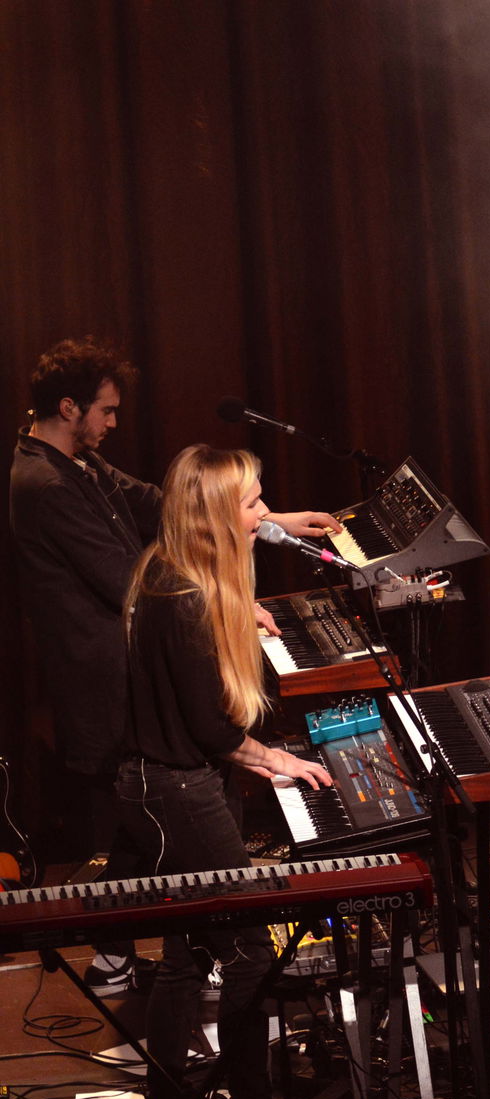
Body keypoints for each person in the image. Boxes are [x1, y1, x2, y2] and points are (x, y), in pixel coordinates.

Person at [9, 338, 341, 992]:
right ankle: (179, 952)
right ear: (68, 406)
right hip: (109, 681)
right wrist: (221, 601)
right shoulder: (41, 482)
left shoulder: (80, 461)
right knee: (157, 803)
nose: (112, 423)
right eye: (103, 411)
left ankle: (129, 954)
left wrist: (272, 521)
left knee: (151, 818)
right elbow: (125, 579)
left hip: (134, 670)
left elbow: (170, 504)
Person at [115, 444, 334, 1099]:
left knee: (186, 958)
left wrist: (244, 609)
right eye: (251, 504)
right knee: (247, 957)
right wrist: (282, 762)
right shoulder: (182, 598)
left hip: (164, 784)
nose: (263, 514)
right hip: (177, 790)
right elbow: (213, 730)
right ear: (213, 516)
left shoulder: (170, 574)